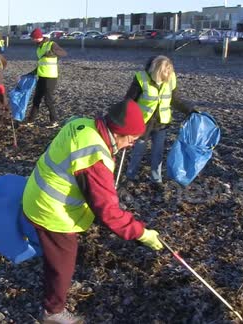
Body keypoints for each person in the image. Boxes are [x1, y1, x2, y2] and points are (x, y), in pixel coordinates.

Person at [22, 99, 163, 323]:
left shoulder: (83, 124)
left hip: (35, 192)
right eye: (131, 140)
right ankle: (53, 312)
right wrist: (142, 233)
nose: (130, 145)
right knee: (63, 261)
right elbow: (108, 213)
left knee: (55, 251)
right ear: (119, 133)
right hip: (51, 211)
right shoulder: (94, 157)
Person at [124, 55, 196, 191]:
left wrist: (190, 111)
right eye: (164, 73)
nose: (166, 76)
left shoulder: (171, 78)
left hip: (161, 122)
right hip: (142, 123)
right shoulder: (141, 78)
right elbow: (129, 101)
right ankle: (130, 176)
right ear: (156, 71)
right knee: (138, 151)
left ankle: (156, 179)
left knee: (158, 152)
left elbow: (174, 100)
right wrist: (126, 118)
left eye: (168, 73)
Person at [23, 28, 67, 128]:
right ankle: (30, 120)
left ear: (37, 37)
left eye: (32, 38)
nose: (32, 40)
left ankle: (54, 121)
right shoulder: (38, 48)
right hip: (41, 76)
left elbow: (64, 53)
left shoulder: (51, 44)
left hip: (51, 77)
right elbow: (41, 63)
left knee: (48, 100)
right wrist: (31, 73)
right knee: (36, 99)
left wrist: (53, 52)